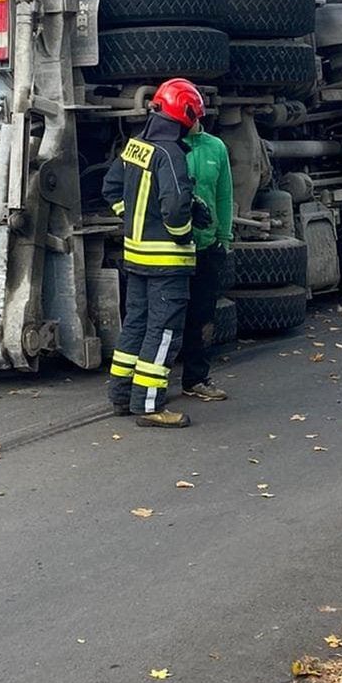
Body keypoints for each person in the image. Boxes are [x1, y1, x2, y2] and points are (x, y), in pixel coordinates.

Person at [104, 78, 209, 428]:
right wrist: (184, 232)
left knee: (134, 325)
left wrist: (135, 221)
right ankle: (149, 405)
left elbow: (112, 188)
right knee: (163, 332)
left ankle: (121, 395)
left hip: (136, 257)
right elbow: (175, 207)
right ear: (186, 113)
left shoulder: (136, 145)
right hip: (167, 261)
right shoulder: (172, 153)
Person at [180, 119, 235, 401]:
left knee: (203, 316)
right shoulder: (168, 147)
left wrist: (223, 239)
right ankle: (154, 382)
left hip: (208, 247)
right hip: (175, 249)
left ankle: (196, 379)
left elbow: (224, 196)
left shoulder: (216, 148)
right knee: (168, 318)